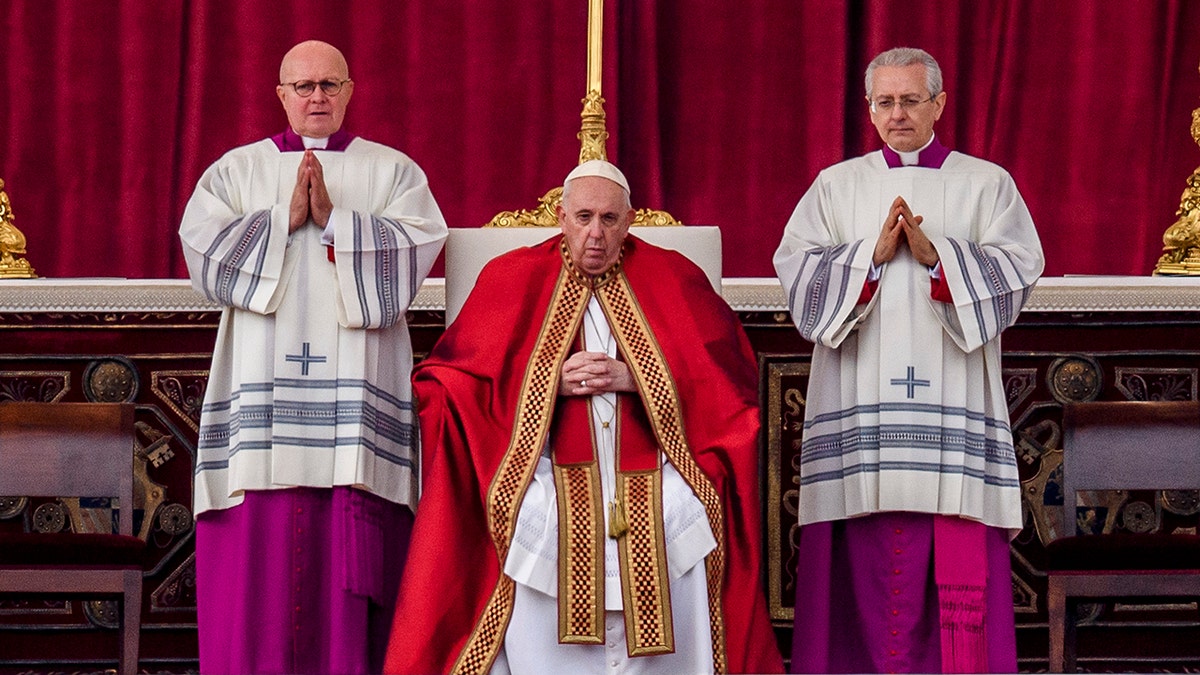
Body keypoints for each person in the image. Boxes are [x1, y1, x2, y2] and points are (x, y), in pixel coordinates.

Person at [384, 160, 782, 674]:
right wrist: (547, 382)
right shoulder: (510, 278)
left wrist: (638, 379)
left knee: (682, 512)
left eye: (610, 220)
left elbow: (730, 384)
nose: (596, 234)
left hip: (659, 472)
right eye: (584, 217)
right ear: (561, 216)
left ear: (631, 220)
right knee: (534, 516)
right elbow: (447, 384)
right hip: (543, 471)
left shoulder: (676, 279)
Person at [179, 40, 448, 674]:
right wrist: (281, 218)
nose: (317, 97)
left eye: (329, 85)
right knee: (262, 570)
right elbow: (202, 255)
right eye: (303, 87)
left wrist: (336, 222)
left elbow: (415, 252)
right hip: (261, 396)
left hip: (354, 405)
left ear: (350, 91)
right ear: (281, 95)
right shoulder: (235, 171)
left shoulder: (392, 172)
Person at [773, 47, 1044, 674]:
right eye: (885, 102)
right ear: (870, 110)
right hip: (858, 406)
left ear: (939, 105)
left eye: (911, 100)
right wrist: (868, 258)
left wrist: (937, 257)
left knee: (952, 531)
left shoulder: (986, 183)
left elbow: (1018, 269)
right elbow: (798, 277)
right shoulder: (838, 185)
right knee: (858, 540)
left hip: (953, 404)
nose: (898, 115)